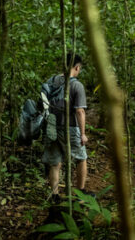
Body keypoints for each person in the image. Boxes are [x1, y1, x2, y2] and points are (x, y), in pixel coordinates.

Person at [42, 52, 89, 202]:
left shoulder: (52, 81)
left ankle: (55, 196)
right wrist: (83, 134)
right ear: (77, 67)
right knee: (81, 158)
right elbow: (80, 111)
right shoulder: (76, 85)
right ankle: (81, 192)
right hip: (70, 128)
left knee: (55, 162)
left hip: (51, 127)